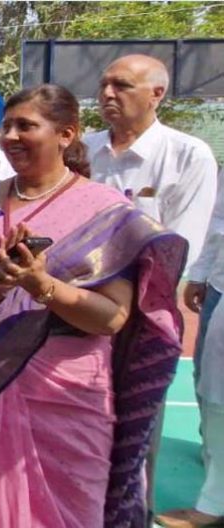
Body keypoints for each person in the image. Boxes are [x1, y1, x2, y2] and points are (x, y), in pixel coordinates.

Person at [0, 84, 187, 527]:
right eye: (7, 126)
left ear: (67, 134)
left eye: (26, 126)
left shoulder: (106, 210)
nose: (10, 136)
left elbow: (113, 317)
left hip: (66, 393)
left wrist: (40, 284)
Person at [84, 54, 218, 272]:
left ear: (156, 94)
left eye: (121, 85)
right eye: (103, 85)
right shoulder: (83, 149)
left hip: (146, 284)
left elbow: (183, 243)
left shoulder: (189, 156)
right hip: (73, 282)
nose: (107, 93)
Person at [157, 166, 224, 528]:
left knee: (218, 396)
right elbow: (219, 220)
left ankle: (214, 505)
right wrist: (200, 273)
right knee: (208, 387)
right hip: (219, 284)